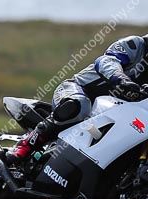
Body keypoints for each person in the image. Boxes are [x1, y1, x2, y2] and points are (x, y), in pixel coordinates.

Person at [9, 34, 148, 161]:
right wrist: (120, 79)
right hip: (77, 90)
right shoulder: (135, 45)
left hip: (113, 113)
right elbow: (106, 61)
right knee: (79, 105)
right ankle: (26, 145)